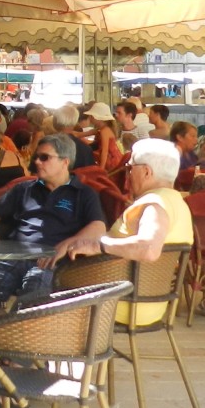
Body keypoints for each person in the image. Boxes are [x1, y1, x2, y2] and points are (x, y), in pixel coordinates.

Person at [0, 132, 107, 319]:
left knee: (33, 303)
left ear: (65, 161)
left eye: (45, 158)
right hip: (13, 256)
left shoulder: (82, 193)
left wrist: (67, 243)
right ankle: (5, 335)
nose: (37, 162)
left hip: (49, 262)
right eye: (36, 157)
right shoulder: (25, 189)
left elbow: (98, 227)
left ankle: (13, 335)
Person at [62, 139, 193, 326]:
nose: (128, 175)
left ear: (147, 172)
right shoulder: (178, 202)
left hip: (120, 304)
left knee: (44, 282)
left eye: (130, 168)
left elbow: (148, 248)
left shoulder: (155, 204)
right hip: (150, 305)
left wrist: (98, 245)